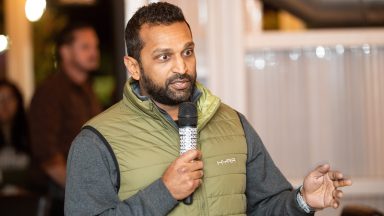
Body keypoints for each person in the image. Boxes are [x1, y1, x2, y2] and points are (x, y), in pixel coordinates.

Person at [65, 2, 352, 215]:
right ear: (134, 67)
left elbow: (267, 206)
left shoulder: (232, 123)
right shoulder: (96, 141)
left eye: (187, 52)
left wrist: (302, 200)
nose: (181, 67)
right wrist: (163, 192)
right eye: (164, 56)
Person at [29, 22, 102, 215]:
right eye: (85, 46)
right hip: (60, 198)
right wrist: (81, 192)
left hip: (84, 193)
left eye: (95, 46)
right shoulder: (50, 92)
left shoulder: (87, 90)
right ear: (65, 52)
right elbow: (48, 156)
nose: (94, 52)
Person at [0, 80, 30, 194]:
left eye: (9, 98)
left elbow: (38, 173)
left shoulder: (31, 133)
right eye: (0, 99)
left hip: (28, 201)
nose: (4, 105)